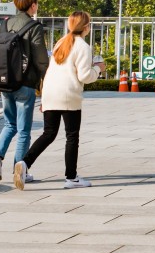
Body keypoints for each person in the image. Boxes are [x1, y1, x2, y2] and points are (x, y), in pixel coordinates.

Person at [14, 11, 103, 190]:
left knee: (49, 134)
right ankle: (71, 177)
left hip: (51, 93)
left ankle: (24, 163)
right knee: (72, 136)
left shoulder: (61, 43)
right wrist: (98, 69)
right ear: (86, 27)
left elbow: (50, 71)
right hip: (69, 95)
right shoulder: (83, 47)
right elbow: (85, 76)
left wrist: (44, 99)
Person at [0, 0, 48, 184]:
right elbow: (40, 60)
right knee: (23, 130)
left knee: (9, 124)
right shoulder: (34, 27)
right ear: (33, 5)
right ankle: (20, 170)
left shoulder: (3, 25)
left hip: (5, 82)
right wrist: (44, 81)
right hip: (25, 84)